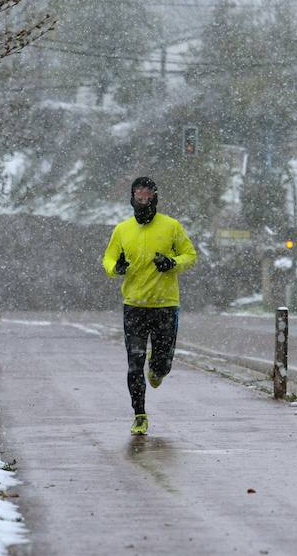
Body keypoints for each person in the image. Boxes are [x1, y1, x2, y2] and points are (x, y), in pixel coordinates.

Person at [102, 176, 197, 435]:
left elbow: (190, 254)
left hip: (165, 305)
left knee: (161, 365)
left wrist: (172, 263)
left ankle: (159, 367)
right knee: (134, 362)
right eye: (138, 195)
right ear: (132, 198)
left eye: (147, 194)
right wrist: (115, 268)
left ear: (155, 196)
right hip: (134, 305)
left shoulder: (171, 226)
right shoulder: (122, 230)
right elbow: (109, 258)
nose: (143, 199)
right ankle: (139, 414)